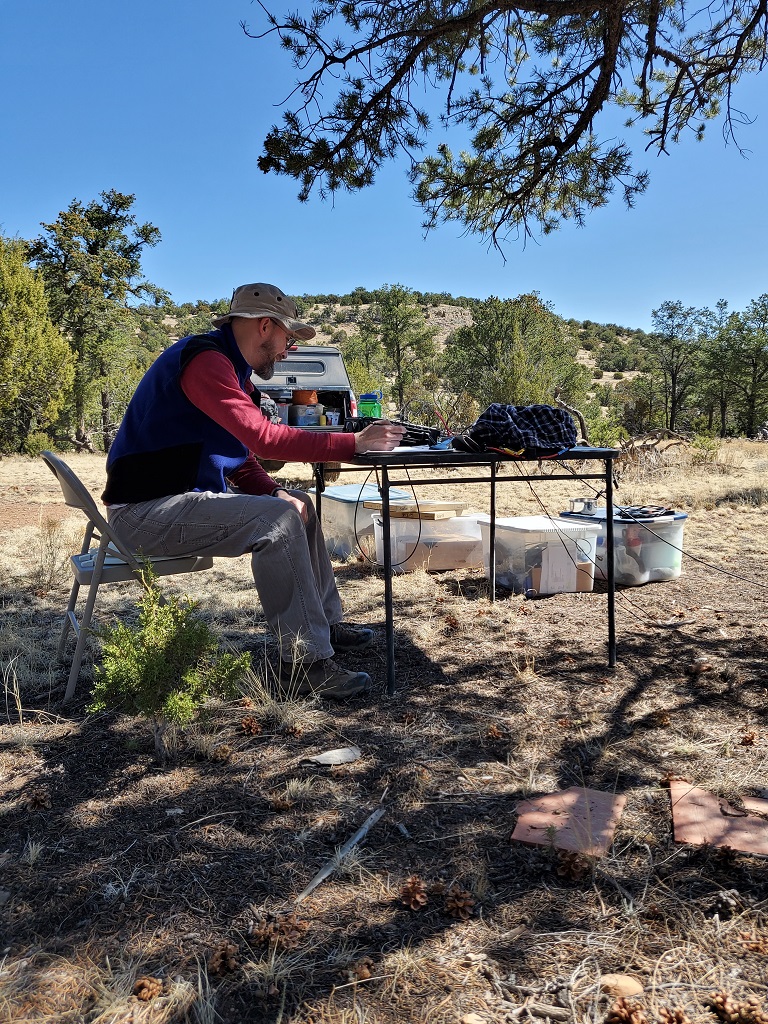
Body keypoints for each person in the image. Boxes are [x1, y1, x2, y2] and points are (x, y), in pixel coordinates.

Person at [102, 282, 406, 699]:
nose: (288, 352)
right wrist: (352, 444)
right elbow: (266, 440)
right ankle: (305, 663)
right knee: (277, 522)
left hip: (171, 504)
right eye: (288, 340)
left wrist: (275, 491)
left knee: (297, 505)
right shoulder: (205, 362)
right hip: (144, 514)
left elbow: (242, 457)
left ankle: (324, 625)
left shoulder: (230, 369)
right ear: (265, 326)